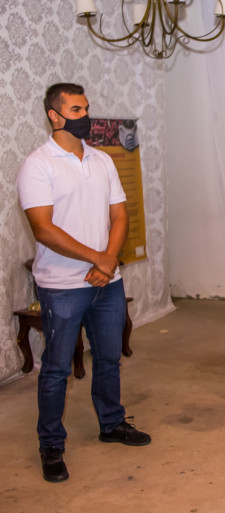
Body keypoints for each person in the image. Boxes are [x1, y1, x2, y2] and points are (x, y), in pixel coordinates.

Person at [16, 83, 150, 483]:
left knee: (108, 359)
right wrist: (99, 258)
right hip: (61, 284)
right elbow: (43, 229)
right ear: (54, 115)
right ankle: (51, 445)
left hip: (107, 282)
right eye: (76, 109)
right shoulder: (38, 164)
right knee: (56, 368)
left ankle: (111, 423)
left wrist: (107, 261)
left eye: (86, 108)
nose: (85, 116)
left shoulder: (102, 159)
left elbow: (120, 215)